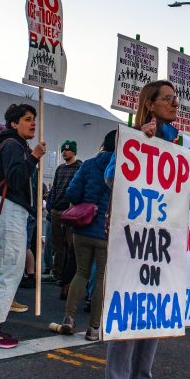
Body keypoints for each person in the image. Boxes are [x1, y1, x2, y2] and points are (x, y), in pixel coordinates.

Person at [100, 80, 180, 379]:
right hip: (134, 238)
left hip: (163, 240)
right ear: (151, 103)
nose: (175, 104)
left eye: (177, 99)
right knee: (131, 314)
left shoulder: (177, 141)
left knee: (155, 316)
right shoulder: (133, 137)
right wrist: (141, 141)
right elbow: (109, 177)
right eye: (168, 99)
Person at [0, 104, 46, 349]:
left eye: (34, 119)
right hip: (9, 209)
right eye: (27, 119)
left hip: (2, 209)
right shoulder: (14, 146)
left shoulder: (8, 144)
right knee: (9, 268)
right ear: (14, 124)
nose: (33, 123)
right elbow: (15, 179)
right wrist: (34, 157)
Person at [56, 130, 114, 341]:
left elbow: (71, 193)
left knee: (81, 273)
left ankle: (68, 319)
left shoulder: (88, 164)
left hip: (82, 228)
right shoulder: (124, 168)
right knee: (100, 279)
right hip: (107, 231)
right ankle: (93, 329)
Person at [47, 140, 82, 297]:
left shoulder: (79, 167)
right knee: (57, 244)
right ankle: (57, 272)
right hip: (56, 210)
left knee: (69, 245)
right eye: (63, 150)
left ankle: (67, 276)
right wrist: (51, 205)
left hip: (71, 211)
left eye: (68, 150)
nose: (65, 152)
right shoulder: (60, 168)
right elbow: (54, 187)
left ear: (74, 152)